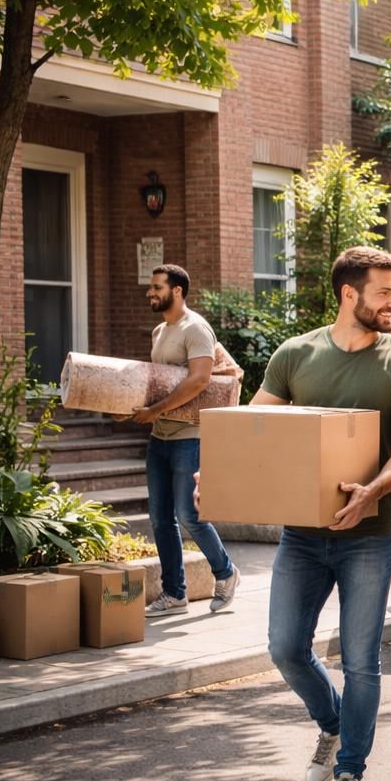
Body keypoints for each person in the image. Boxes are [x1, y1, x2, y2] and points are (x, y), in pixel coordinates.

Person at [250, 246, 391, 781]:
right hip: (302, 534)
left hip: (370, 533)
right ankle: (333, 726)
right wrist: (217, 473)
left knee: (361, 659)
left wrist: (371, 494)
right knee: (284, 647)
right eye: (384, 292)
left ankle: (350, 770)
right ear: (349, 294)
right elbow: (255, 428)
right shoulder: (295, 355)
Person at [136, 264, 241, 617]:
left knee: (189, 514)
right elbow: (159, 381)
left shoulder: (195, 329)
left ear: (177, 290)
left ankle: (226, 573)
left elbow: (199, 380)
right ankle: (174, 593)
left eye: (156, 287)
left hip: (189, 436)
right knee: (160, 518)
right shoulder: (159, 331)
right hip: (160, 436)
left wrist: (155, 410)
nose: (150, 293)